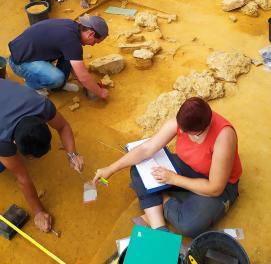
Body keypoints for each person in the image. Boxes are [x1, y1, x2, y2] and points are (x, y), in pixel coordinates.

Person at [93, 97, 242, 237]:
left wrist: (173, 179)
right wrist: (111, 168)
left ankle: (160, 198)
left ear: (202, 129)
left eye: (188, 133)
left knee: (190, 224)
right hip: (187, 167)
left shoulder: (224, 137)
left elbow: (215, 188)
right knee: (138, 169)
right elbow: (146, 149)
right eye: (181, 129)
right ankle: (159, 229)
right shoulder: (184, 121)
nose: (181, 132)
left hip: (219, 185)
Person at [0, 78, 84, 232]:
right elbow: (22, 179)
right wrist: (38, 211)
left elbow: (63, 126)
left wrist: (72, 154)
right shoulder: (3, 141)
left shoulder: (41, 106)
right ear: (13, 143)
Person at [8, 15, 109, 99]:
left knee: (70, 59)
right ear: (91, 34)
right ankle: (33, 87)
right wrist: (100, 93)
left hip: (30, 53)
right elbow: (83, 76)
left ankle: (57, 85)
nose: (92, 45)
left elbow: (76, 68)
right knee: (56, 78)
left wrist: (88, 86)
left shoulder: (72, 27)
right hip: (20, 62)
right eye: (95, 42)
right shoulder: (71, 41)